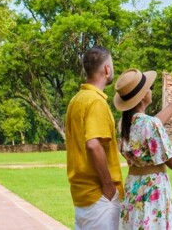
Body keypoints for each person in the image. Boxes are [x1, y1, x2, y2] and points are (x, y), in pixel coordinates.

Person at [113, 69, 172, 230]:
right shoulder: (150, 124)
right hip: (152, 190)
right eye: (149, 88)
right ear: (143, 96)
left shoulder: (125, 124)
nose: (151, 90)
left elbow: (155, 122)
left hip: (133, 188)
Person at [65, 46, 123, 230]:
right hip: (99, 196)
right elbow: (93, 144)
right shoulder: (96, 102)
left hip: (82, 195)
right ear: (107, 69)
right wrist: (108, 187)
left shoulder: (76, 100)